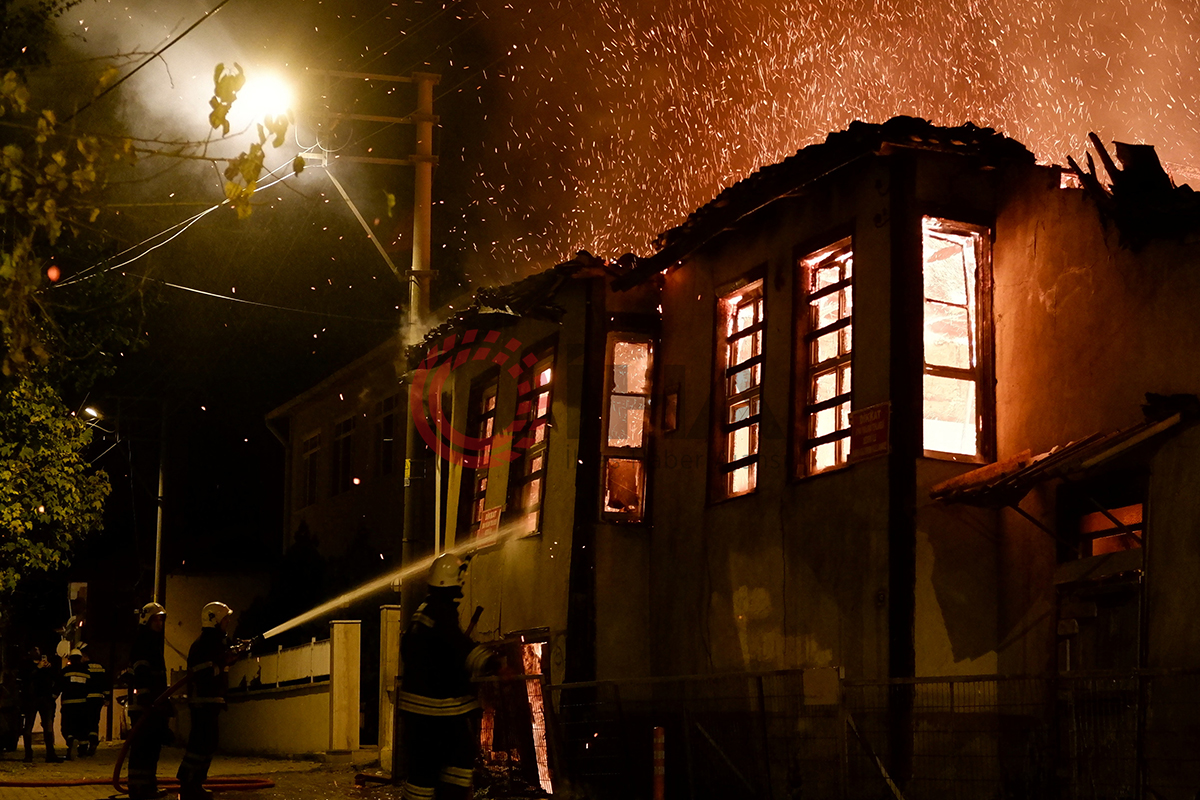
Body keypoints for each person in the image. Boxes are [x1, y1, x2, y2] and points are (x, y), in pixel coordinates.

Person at [398, 553, 497, 800]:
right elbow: (457, 647)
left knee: (423, 774)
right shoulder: (441, 615)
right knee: (459, 762)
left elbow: (414, 650)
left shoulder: (424, 613)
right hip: (441, 714)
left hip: (419, 716)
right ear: (456, 583)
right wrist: (492, 662)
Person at [177, 601, 234, 800]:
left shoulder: (218, 641)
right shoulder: (203, 644)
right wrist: (223, 662)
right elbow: (202, 673)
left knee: (208, 743)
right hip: (203, 702)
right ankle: (187, 781)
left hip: (212, 700)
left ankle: (195, 782)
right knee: (199, 744)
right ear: (214, 619)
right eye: (225, 618)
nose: (228, 622)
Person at [127, 602, 170, 800]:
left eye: (161, 619)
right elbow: (142, 673)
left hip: (153, 704)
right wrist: (148, 699)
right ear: (147, 620)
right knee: (143, 748)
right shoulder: (144, 642)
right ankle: (140, 788)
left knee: (151, 748)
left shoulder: (151, 642)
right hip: (145, 705)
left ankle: (146, 786)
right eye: (157, 619)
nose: (160, 623)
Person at [18, 646, 62, 763]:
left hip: (46, 699)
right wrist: (37, 668)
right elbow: (25, 679)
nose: (37, 652)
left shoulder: (47, 667)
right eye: (34, 650)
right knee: (28, 728)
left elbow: (57, 678)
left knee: (48, 728)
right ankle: (28, 755)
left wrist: (55, 692)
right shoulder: (27, 666)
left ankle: (50, 754)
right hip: (31, 700)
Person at [59, 648, 91, 760]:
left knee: (67, 727)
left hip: (68, 705)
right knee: (82, 727)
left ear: (71, 659)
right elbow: (90, 688)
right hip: (82, 705)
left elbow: (59, 685)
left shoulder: (66, 671)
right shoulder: (86, 672)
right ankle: (82, 751)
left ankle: (71, 741)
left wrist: (53, 695)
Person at [81, 644, 109, 756]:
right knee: (94, 721)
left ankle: (85, 745)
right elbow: (106, 683)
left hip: (86, 698)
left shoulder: (83, 667)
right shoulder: (101, 667)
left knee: (85, 722)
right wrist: (107, 697)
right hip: (98, 699)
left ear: (84, 656)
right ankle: (93, 742)